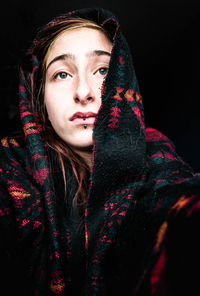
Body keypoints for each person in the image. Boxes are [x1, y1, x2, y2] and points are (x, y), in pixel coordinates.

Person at [0, 7, 200, 296]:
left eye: (103, 70)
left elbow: (176, 203)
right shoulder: (11, 165)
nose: (84, 92)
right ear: (40, 99)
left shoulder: (158, 158)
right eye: (62, 74)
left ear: (123, 80)